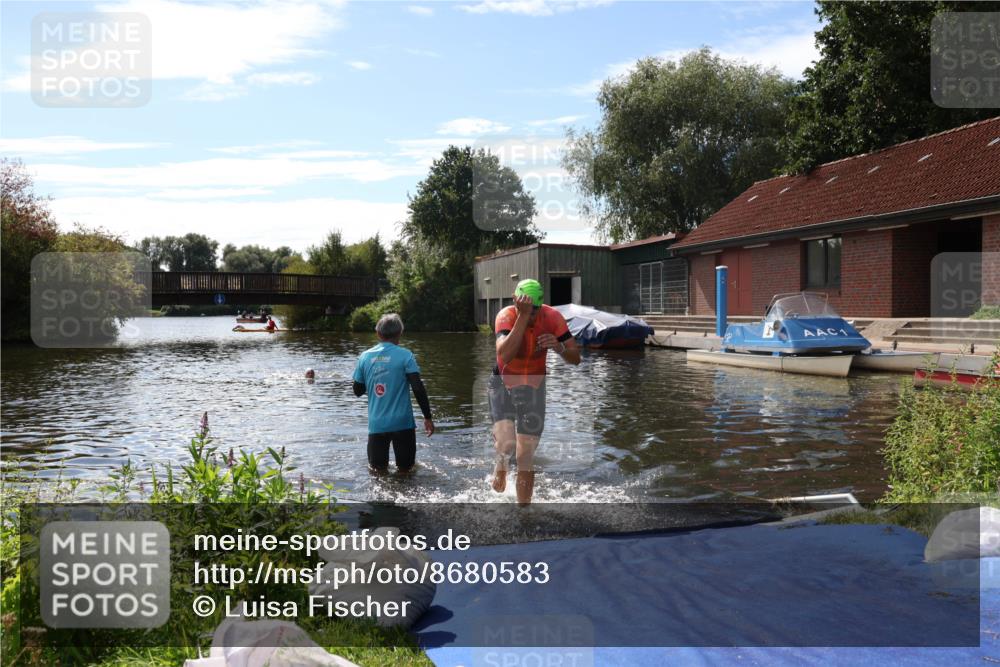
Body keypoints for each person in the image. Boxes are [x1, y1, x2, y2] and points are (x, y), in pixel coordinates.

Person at [490, 279, 580, 505]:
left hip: (534, 386)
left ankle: (523, 514)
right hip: (502, 383)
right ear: (516, 302)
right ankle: (501, 462)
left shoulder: (552, 318)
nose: (532, 317)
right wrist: (522, 316)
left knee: (524, 456)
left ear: (541, 306)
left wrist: (559, 347)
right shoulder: (506, 316)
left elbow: (576, 358)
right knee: (507, 445)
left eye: (534, 312)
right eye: (527, 311)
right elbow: (505, 355)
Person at [352, 313, 434, 473]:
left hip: (377, 424)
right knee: (406, 471)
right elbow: (418, 388)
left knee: (377, 472)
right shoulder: (406, 355)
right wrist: (428, 417)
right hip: (403, 424)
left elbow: (357, 391)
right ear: (399, 333)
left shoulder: (365, 357)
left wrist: (373, 378)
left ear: (378, 333)